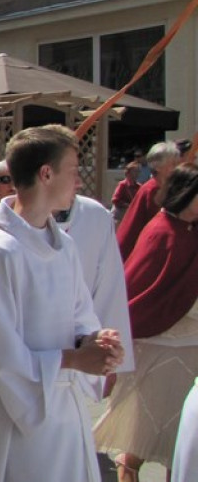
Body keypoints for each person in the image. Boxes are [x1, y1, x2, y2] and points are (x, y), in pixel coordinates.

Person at [0, 125, 125, 482]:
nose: (78, 182)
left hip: (63, 411)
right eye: (72, 171)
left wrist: (95, 342)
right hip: (17, 420)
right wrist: (74, 358)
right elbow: (0, 357)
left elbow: (82, 315)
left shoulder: (62, 246)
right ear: (45, 174)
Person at [94, 163, 198, 482]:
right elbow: (137, 292)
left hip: (191, 343)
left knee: (181, 441)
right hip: (156, 345)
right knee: (140, 437)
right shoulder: (160, 230)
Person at [117, 141, 181, 259]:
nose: (178, 168)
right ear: (158, 167)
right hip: (134, 252)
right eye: (173, 164)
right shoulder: (153, 190)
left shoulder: (164, 186)